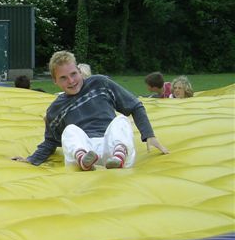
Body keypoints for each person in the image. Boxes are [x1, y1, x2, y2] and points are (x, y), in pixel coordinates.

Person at [12, 51, 168, 170]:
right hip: (84, 147)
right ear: (54, 81)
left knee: (121, 121)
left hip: (110, 144)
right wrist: (31, 160)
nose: (71, 81)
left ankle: (118, 156)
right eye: (63, 78)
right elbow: (51, 142)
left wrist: (149, 135)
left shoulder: (100, 84)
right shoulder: (55, 109)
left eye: (73, 74)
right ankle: (83, 159)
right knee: (70, 130)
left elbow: (135, 105)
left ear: (79, 71)